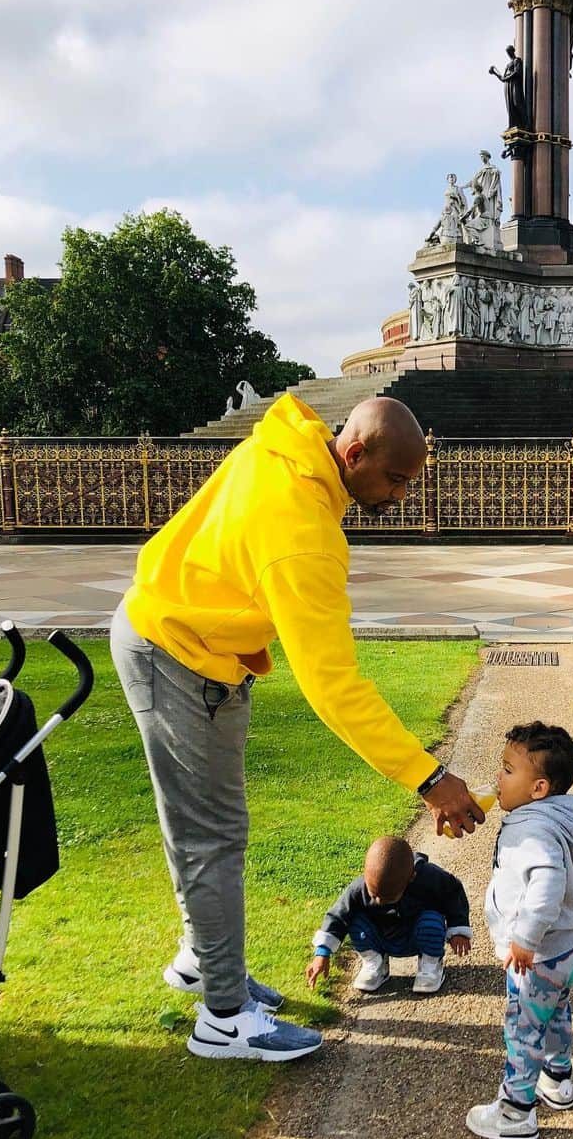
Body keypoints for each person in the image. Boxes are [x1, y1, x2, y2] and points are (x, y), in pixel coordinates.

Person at [110, 394, 483, 1063]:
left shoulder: (287, 447)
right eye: (395, 480)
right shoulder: (303, 533)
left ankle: (205, 961)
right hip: (173, 653)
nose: (400, 497)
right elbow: (333, 684)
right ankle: (223, 1021)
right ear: (355, 453)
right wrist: (428, 777)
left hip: (200, 650)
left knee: (221, 832)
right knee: (209, 842)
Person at [465, 723, 573, 1139]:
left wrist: (523, 939)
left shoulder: (533, 829)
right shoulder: (560, 816)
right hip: (567, 950)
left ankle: (515, 1111)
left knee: (522, 1027)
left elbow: (547, 883)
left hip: (538, 955)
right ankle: (558, 1081)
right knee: (557, 1013)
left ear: (539, 787)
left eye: (508, 770)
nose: (497, 778)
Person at [306, 837, 471, 996]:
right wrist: (322, 953)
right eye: (374, 895)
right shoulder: (359, 888)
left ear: (411, 878)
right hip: (380, 937)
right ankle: (375, 963)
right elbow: (338, 916)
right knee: (354, 921)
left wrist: (458, 930)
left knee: (432, 921)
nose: (379, 901)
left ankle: (430, 964)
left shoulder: (429, 877)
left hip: (416, 935)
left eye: (388, 897)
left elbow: (453, 894)